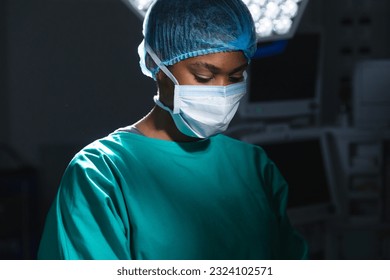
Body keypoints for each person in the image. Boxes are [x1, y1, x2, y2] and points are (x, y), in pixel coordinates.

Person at [37, 0, 308, 260]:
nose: (223, 90)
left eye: (236, 77)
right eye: (204, 77)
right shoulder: (102, 173)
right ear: (157, 66)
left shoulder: (254, 166)